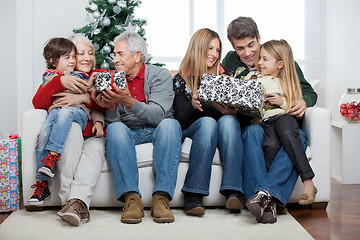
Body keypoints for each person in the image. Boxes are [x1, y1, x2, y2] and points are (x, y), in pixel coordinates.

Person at [222, 17, 318, 224]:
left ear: (259, 38)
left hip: (284, 120)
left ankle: (265, 199)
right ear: (233, 47)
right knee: (253, 134)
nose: (247, 53)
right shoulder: (230, 62)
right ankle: (272, 200)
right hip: (254, 124)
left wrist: (302, 101)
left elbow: (308, 91)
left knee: (295, 137)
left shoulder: (278, 56)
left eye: (251, 45)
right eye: (240, 48)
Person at [92, 32, 182, 224]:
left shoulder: (160, 74)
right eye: (114, 55)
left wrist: (129, 101)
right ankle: (131, 198)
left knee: (171, 124)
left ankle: (161, 198)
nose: (115, 59)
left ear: (137, 56)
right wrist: (110, 107)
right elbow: (115, 122)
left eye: (120, 54)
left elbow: (158, 115)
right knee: (115, 129)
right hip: (129, 132)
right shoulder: (113, 79)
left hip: (157, 128)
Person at [30, 34, 107, 227]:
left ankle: (74, 203)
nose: (86, 58)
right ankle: (68, 202)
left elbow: (109, 105)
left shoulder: (96, 75)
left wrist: (84, 100)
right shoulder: (59, 77)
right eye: (80, 53)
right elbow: (38, 103)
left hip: (92, 134)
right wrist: (60, 82)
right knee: (69, 131)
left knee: (94, 148)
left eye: (90, 53)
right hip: (70, 132)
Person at [173, 28, 244, 216]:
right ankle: (193, 194)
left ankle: (233, 191)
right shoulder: (181, 79)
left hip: (221, 128)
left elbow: (234, 117)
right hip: (193, 128)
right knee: (208, 123)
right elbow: (179, 122)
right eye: (210, 48)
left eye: (217, 50)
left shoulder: (226, 75)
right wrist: (193, 105)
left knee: (228, 121)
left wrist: (229, 113)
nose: (214, 54)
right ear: (198, 48)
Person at [244, 39, 317, 205]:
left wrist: (282, 102)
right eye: (260, 58)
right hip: (264, 122)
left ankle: (308, 181)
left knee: (287, 132)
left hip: (284, 117)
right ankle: (272, 202)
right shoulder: (253, 77)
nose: (259, 62)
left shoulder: (288, 80)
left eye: (264, 59)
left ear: (280, 64)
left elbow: (297, 99)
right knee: (271, 146)